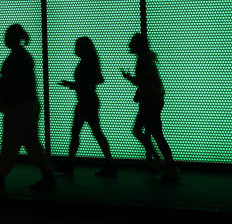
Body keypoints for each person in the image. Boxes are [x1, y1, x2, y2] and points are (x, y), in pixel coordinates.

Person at [0, 24, 56, 191]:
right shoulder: (21, 56)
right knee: (29, 144)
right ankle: (47, 177)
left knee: (11, 144)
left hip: (19, 107)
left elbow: (12, 82)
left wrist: (0, 84)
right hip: (25, 106)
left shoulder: (16, 57)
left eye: (7, 35)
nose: (4, 38)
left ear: (12, 38)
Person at [122, 32, 180, 181]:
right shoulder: (145, 59)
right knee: (149, 133)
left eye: (132, 42)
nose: (129, 44)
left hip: (150, 103)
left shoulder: (143, 61)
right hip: (152, 102)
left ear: (138, 45)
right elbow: (147, 81)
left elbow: (147, 83)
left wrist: (140, 93)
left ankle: (169, 167)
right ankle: (162, 162)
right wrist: (132, 80)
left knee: (155, 135)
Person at [56, 36, 116, 177]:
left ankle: (70, 164)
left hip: (86, 102)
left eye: (77, 46)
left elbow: (89, 83)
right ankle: (109, 164)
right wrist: (75, 85)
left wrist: (73, 85)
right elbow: (97, 79)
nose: (75, 49)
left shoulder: (86, 63)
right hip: (88, 102)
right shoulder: (90, 62)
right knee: (92, 132)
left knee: (80, 132)